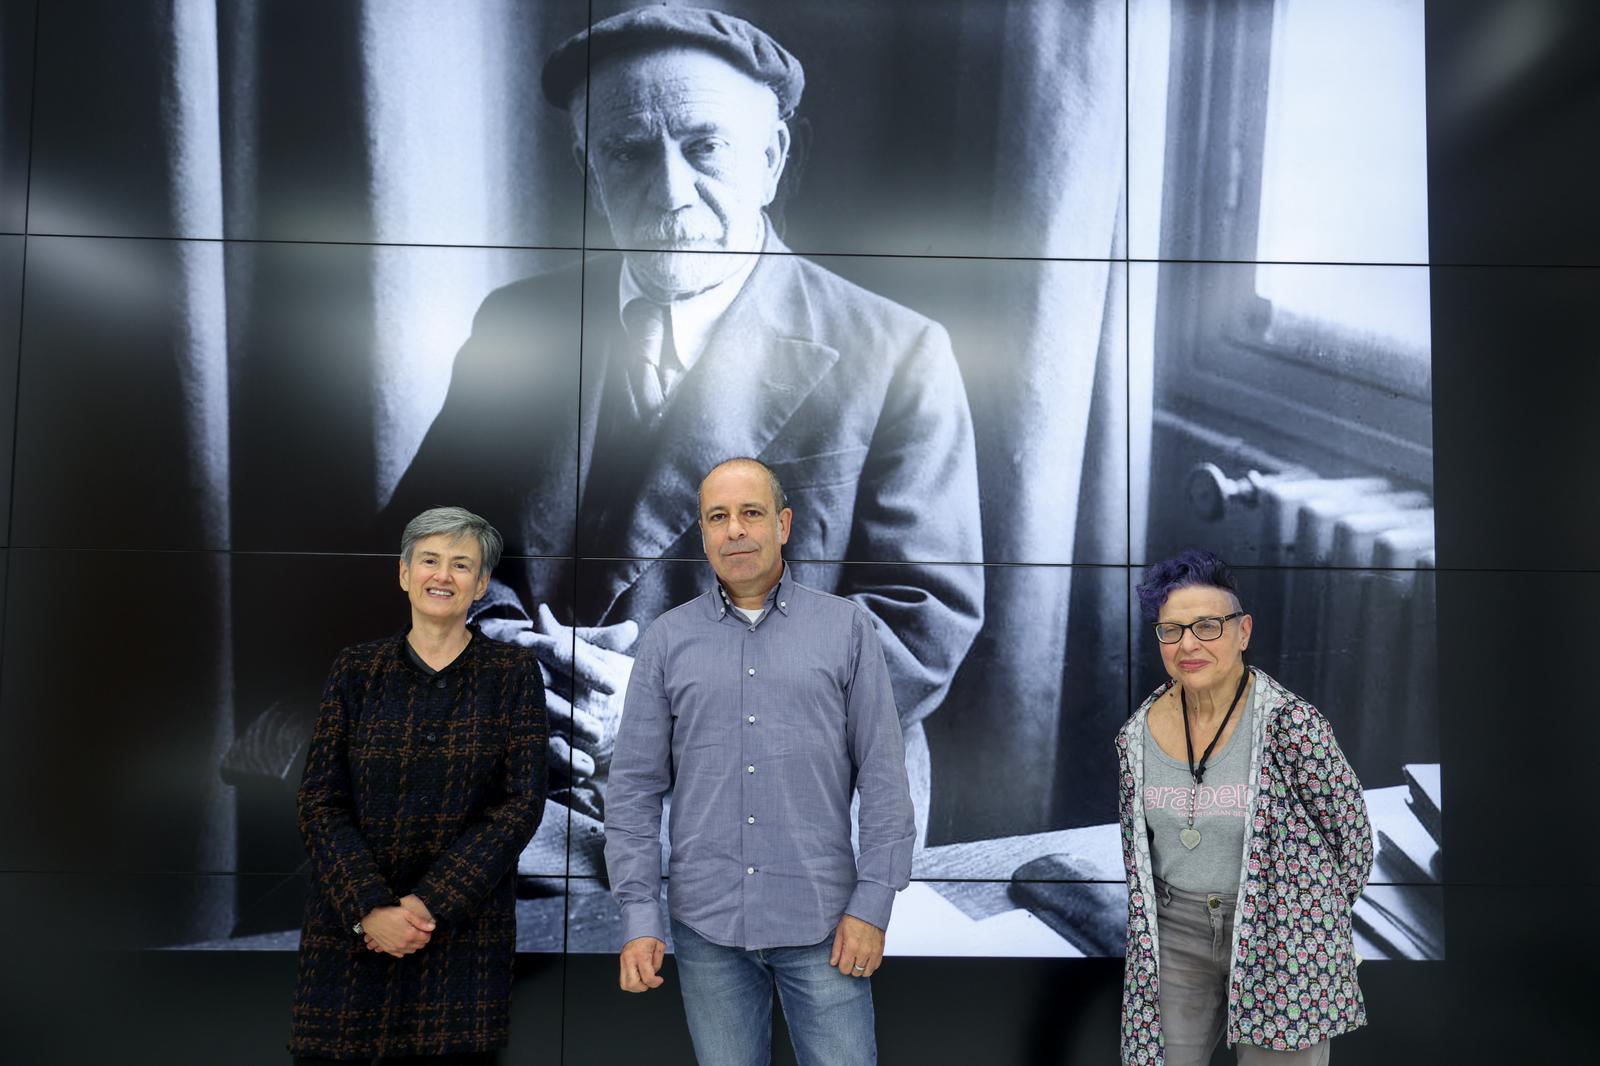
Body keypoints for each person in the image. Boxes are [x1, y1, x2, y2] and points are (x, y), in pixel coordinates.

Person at [382, 3, 982, 839]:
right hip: (532, 763)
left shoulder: (898, 352)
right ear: (590, 169)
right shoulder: (520, 322)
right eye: (627, 153)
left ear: (770, 161)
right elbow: (429, 536)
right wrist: (511, 660)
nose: (667, 191)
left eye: (705, 147)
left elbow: (921, 624)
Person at [604, 457, 915, 1065]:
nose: (735, 531)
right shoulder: (665, 640)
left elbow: (883, 778)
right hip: (706, 930)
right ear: (703, 532)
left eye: (751, 513)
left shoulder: (846, 629)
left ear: (784, 524)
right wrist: (640, 914)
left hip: (826, 927)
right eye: (718, 517)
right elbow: (634, 791)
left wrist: (873, 905)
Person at [289, 507, 548, 1064]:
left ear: (481, 585)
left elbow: (519, 807)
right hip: (352, 935)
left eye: (461, 565)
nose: (442, 575)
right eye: (429, 560)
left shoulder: (513, 674)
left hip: (458, 936)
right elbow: (319, 801)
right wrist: (371, 909)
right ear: (404, 573)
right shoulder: (356, 669)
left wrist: (426, 905)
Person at [1116, 549, 1373, 1065]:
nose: (1188, 644)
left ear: (1243, 632)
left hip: (1279, 932)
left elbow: (1353, 840)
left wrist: (1308, 920)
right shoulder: (1136, 734)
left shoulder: (1291, 725)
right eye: (1171, 630)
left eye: (1207, 626)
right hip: (1175, 930)